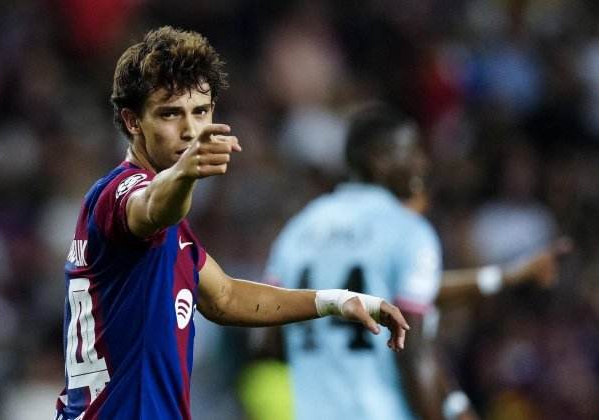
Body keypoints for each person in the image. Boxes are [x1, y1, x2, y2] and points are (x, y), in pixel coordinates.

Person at [53, 27, 410, 420]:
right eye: (170, 113)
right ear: (132, 121)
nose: (189, 130)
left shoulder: (170, 233)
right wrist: (186, 172)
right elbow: (152, 207)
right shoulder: (119, 196)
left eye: (200, 112)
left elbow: (224, 298)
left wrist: (336, 300)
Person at [260, 103, 569, 420]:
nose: (421, 162)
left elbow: (268, 342)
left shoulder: (298, 230)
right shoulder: (407, 230)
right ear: (379, 160)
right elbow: (414, 352)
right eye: (411, 151)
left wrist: (327, 351)